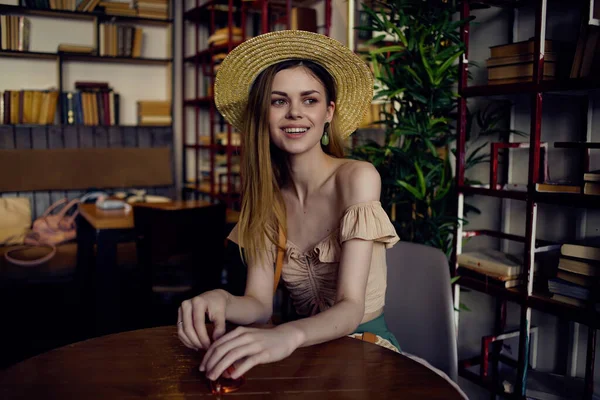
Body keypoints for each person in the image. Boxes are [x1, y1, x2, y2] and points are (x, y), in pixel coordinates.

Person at [177, 30, 401, 382]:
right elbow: (258, 303)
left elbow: (350, 307)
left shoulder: (358, 178)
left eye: (309, 100)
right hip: (301, 355)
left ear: (329, 112)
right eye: (279, 101)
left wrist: (287, 334)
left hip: (363, 349)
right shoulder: (266, 196)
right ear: (264, 114)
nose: (295, 112)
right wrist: (220, 299)